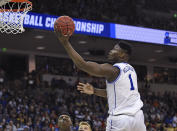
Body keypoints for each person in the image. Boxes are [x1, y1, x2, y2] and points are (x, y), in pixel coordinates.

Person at [55, 30, 146, 131]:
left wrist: (65, 43)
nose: (111, 51)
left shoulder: (113, 70)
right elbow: (115, 94)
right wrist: (94, 91)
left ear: (123, 55)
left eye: (115, 49)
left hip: (120, 120)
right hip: (138, 119)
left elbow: (82, 65)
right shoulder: (132, 71)